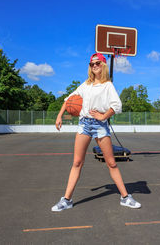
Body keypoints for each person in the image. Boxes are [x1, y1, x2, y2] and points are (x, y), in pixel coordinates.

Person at [51, 53, 141, 212]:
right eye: (92, 64)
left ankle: (125, 197)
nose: (94, 66)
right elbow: (69, 99)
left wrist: (104, 116)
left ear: (104, 65)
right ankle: (66, 200)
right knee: (77, 163)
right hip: (84, 124)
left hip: (100, 126)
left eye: (97, 63)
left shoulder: (108, 85)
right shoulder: (85, 84)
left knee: (112, 163)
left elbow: (117, 105)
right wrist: (59, 116)